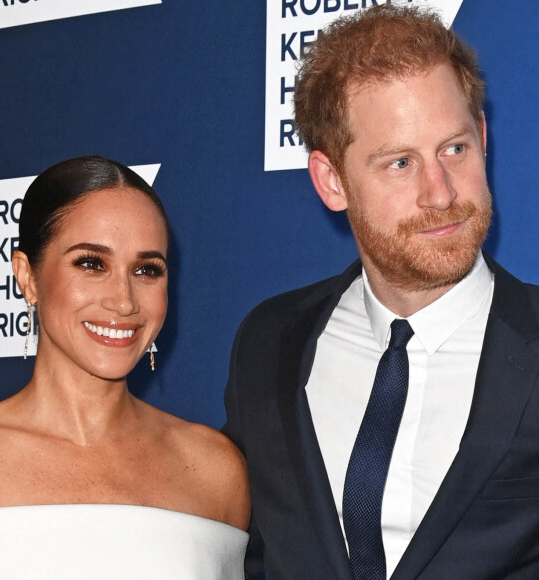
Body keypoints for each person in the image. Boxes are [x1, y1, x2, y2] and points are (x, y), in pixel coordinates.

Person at [223, 5, 539, 580]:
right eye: (400, 163)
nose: (440, 194)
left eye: (455, 149)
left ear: (484, 136)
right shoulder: (268, 345)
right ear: (331, 181)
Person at [0, 156, 250, 578]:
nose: (124, 300)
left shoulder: (214, 470)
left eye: (147, 270)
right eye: (92, 263)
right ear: (27, 277)